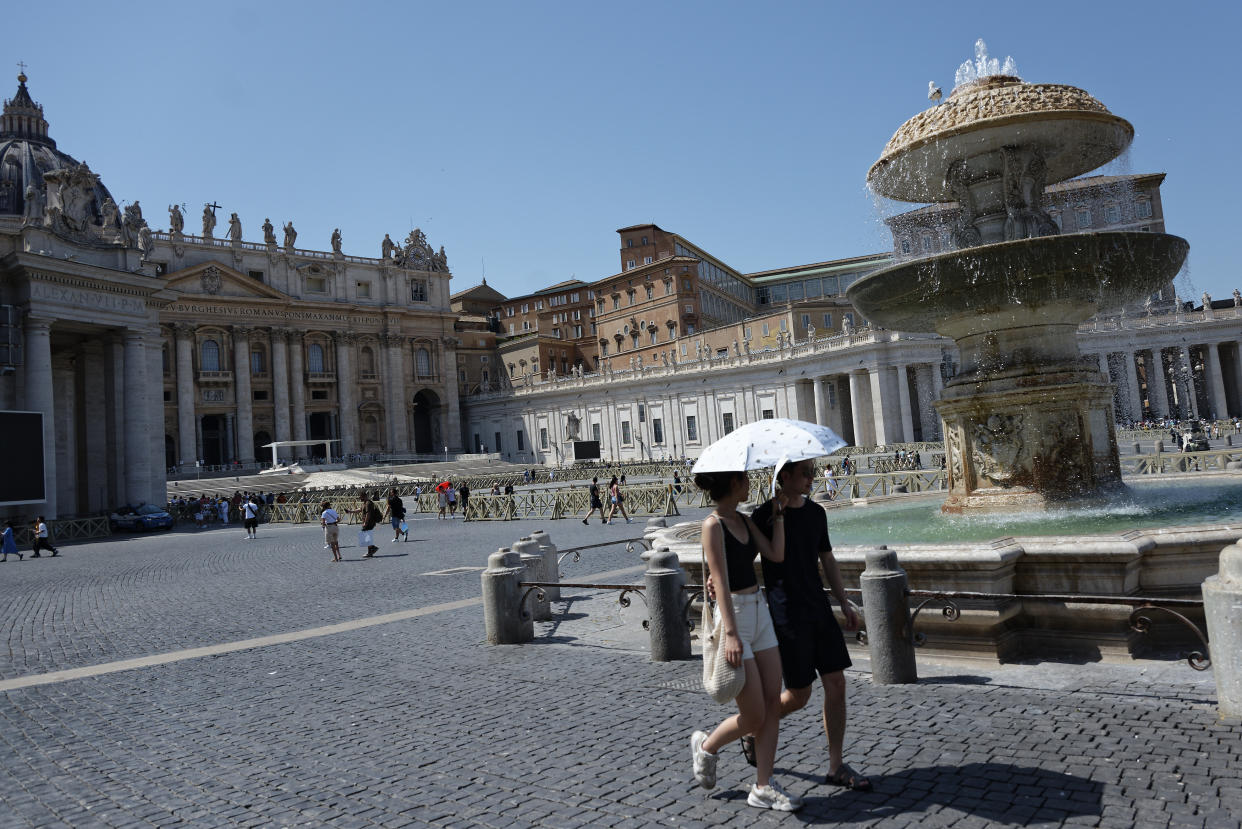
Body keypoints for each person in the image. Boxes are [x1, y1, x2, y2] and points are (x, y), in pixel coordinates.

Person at [749, 459, 871, 792]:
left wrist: (843, 601)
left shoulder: (817, 513)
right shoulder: (764, 514)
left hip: (818, 607)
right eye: (805, 473)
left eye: (813, 473)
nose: (811, 479)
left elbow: (827, 558)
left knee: (837, 682)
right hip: (786, 613)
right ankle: (754, 729)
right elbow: (744, 561)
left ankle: (836, 765)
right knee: (799, 694)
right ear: (783, 477)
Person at [689, 470, 799, 811]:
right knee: (752, 716)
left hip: (759, 610)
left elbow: (775, 554)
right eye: (745, 478)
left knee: (771, 706)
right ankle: (707, 746)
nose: (749, 483)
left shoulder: (745, 519)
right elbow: (719, 581)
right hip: (733, 616)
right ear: (733, 483)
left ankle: (763, 786)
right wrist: (733, 634)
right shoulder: (712, 525)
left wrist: (778, 518)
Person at [352, 492, 382, 558]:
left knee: (366, 535)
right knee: (367, 535)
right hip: (368, 522)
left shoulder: (368, 503)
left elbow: (368, 514)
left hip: (369, 522)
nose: (360, 499)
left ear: (364, 496)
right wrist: (350, 511)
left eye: (361, 498)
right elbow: (360, 510)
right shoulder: (365, 503)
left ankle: (371, 549)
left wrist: (365, 522)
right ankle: (371, 550)